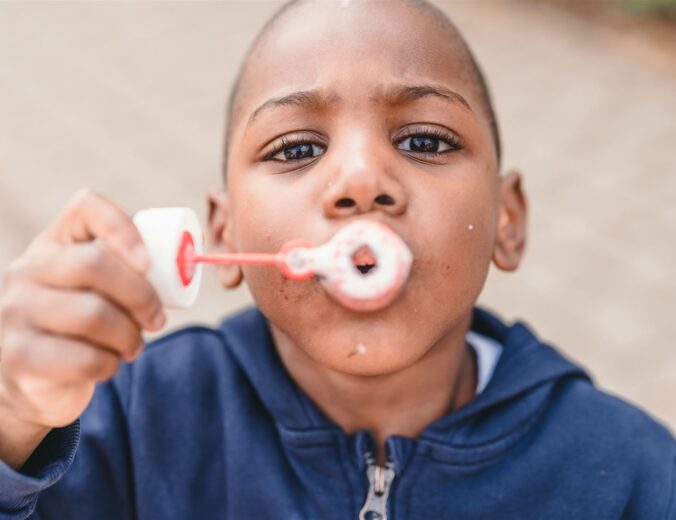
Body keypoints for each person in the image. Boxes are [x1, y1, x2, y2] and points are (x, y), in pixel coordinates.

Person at [0, 1, 674, 518]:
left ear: (507, 218)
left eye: (424, 140)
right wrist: (12, 422)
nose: (360, 178)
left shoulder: (631, 473)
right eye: (296, 149)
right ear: (222, 231)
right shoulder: (129, 424)